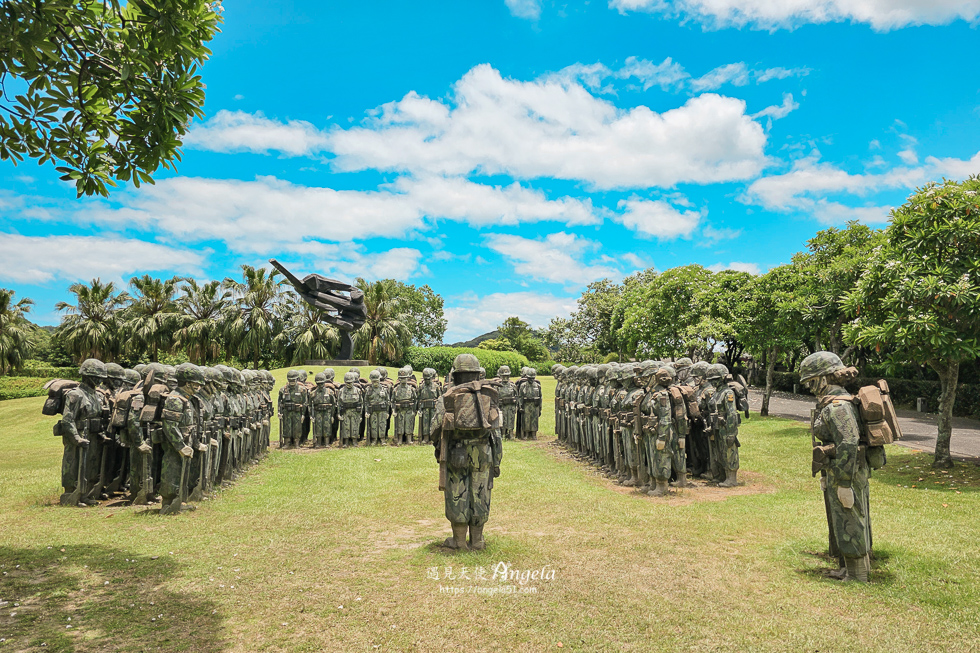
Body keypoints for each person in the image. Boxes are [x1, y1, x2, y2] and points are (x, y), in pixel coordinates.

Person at [800, 351, 872, 582]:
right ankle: (848, 569)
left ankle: (858, 575)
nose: (810, 387)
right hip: (841, 471)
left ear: (824, 378)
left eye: (811, 381)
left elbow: (848, 444)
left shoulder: (838, 406)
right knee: (846, 519)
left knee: (850, 521)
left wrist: (843, 483)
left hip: (846, 473)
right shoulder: (834, 402)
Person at [431, 353, 502, 551]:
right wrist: (497, 460)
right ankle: (478, 541)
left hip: (456, 453)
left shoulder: (447, 397)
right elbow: (496, 435)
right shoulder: (489, 395)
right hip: (483, 453)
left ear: (455, 374)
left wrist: (439, 448)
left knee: (457, 494)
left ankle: (459, 542)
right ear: (478, 373)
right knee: (480, 494)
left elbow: (434, 429)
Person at [56, 358, 108, 506]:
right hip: (77, 435)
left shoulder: (95, 394)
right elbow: (68, 419)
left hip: (92, 434)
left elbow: (96, 416)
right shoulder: (76, 394)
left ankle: (85, 494)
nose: (99, 381)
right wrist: (76, 437)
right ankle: (70, 495)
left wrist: (101, 434)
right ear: (87, 376)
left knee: (90, 465)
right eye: (97, 377)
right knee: (73, 464)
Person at [159, 363, 201, 515]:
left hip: (185, 444)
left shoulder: (187, 398)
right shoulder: (175, 399)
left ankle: (178, 503)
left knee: (182, 474)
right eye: (195, 383)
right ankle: (167, 505)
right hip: (174, 446)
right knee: (172, 473)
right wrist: (180, 446)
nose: (198, 386)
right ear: (187, 383)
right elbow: (169, 425)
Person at [705, 363, 741, 487]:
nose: (713, 382)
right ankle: (721, 475)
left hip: (725, 428)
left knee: (729, 451)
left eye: (715, 379)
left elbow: (732, 414)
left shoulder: (728, 393)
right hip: (716, 428)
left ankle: (731, 478)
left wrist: (731, 433)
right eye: (711, 380)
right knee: (719, 452)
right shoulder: (716, 393)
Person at [278, 370, 308, 448]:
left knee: (297, 428)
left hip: (297, 412)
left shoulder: (302, 389)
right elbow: (279, 402)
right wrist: (279, 412)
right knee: (286, 427)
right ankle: (287, 443)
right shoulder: (283, 390)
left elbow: (305, 403)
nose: (291, 382)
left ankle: (296, 443)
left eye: (293, 380)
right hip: (286, 411)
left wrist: (303, 414)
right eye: (290, 380)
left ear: (297, 379)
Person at [310, 372, 337, 448]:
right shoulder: (313, 393)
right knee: (318, 427)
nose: (320, 385)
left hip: (327, 412)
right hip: (317, 412)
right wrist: (311, 415)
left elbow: (333, 404)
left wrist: (332, 415)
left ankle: (327, 443)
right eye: (318, 384)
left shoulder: (330, 392)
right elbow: (309, 405)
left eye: (322, 383)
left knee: (327, 427)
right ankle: (318, 443)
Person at [392, 368, 418, 445]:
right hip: (400, 410)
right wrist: (394, 410)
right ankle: (400, 439)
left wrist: (415, 410)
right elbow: (392, 401)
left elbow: (415, 400)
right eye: (401, 378)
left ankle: (409, 439)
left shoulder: (411, 389)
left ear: (408, 378)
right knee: (400, 425)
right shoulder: (396, 389)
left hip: (409, 410)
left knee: (408, 424)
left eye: (404, 378)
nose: (403, 380)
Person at [337, 371, 364, 448]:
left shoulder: (358, 390)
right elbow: (339, 403)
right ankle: (346, 442)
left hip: (355, 411)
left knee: (355, 426)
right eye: (347, 382)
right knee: (346, 427)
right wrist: (339, 414)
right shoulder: (341, 391)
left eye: (350, 382)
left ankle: (354, 441)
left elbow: (361, 403)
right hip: (345, 411)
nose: (349, 384)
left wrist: (361, 415)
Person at [364, 370, 391, 445]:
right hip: (372, 410)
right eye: (373, 381)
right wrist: (366, 411)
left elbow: (388, 401)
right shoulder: (368, 389)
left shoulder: (384, 389)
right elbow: (366, 401)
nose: (375, 383)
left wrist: (387, 412)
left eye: (377, 381)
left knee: (382, 424)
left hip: (382, 410)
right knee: (373, 425)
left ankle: (382, 439)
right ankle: (374, 439)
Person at [417, 368, 441, 445]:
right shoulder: (421, 387)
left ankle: (433, 438)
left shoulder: (436, 386)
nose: (427, 380)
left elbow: (440, 397)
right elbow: (418, 398)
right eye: (425, 379)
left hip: (433, 407)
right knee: (425, 422)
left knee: (433, 422)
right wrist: (418, 409)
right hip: (425, 408)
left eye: (428, 379)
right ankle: (426, 437)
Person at [517, 368, 542, 440]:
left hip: (535, 405)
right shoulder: (523, 385)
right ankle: (526, 434)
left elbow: (540, 397)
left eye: (532, 378)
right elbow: (520, 396)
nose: (531, 380)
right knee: (526, 420)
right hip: (526, 404)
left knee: (534, 420)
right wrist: (520, 406)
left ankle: (534, 434)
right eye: (529, 378)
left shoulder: (537, 386)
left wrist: (540, 408)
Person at [496, 366, 518, 440]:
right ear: (500, 376)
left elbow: (517, 396)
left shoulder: (513, 386)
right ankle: (502, 434)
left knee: (511, 420)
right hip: (502, 407)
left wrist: (515, 403)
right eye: (503, 376)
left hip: (511, 406)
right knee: (502, 420)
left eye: (507, 376)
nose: (505, 378)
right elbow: (495, 398)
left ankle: (511, 434)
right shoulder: (497, 387)